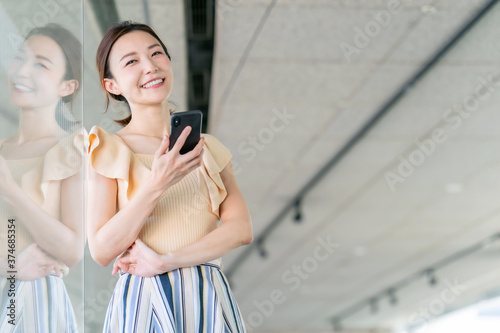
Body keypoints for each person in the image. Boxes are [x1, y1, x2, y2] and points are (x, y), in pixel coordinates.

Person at [87, 21, 253, 332]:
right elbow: (101, 249)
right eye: (132, 61)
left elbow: (241, 229)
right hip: (143, 297)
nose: (150, 67)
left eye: (156, 54)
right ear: (113, 85)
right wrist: (156, 183)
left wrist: (167, 261)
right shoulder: (108, 148)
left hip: (206, 293)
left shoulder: (209, 148)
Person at [0, 23, 84, 332]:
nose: (22, 71)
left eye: (40, 65)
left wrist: (10, 190)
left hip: (36, 301)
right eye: (20, 58)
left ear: (67, 86)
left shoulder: (73, 148)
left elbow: (72, 249)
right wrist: (9, 266)